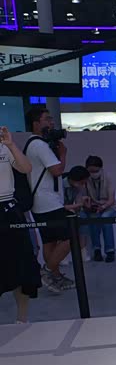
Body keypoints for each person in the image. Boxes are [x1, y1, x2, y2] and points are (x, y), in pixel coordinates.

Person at [25, 106, 74, 293]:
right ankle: (46, 272)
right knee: (73, 236)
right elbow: (57, 170)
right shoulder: (40, 145)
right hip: (48, 202)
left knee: (50, 242)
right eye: (47, 119)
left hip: (40, 202)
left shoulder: (32, 143)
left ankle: (56, 277)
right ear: (36, 123)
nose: (52, 123)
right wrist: (63, 154)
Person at [0, 126, 40, 323]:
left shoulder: (4, 147)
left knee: (22, 265)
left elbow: (26, 168)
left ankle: (21, 320)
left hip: (8, 208)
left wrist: (11, 145)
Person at [84, 155, 116, 263]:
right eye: (90, 171)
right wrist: (89, 206)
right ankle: (97, 250)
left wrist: (103, 207)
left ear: (101, 168)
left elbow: (111, 200)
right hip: (94, 207)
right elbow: (83, 197)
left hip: (109, 207)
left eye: (95, 171)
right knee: (93, 219)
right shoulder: (85, 179)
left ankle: (110, 251)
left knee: (105, 218)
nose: (93, 173)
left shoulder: (108, 177)